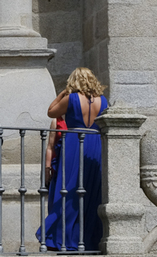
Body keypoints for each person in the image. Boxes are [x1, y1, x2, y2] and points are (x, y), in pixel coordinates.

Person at [38, 67, 108, 252]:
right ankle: (88, 239)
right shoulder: (103, 101)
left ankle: (64, 238)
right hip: (95, 144)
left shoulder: (72, 99)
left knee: (68, 189)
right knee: (92, 191)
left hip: (74, 143)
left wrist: (62, 93)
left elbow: (51, 112)